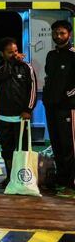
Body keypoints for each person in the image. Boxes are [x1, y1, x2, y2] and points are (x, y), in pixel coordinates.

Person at [0, 37, 37, 190]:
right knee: (7, 149)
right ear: (2, 54)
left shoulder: (26, 67)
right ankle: (9, 177)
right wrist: (11, 62)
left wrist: (28, 109)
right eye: (10, 52)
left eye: (16, 51)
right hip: (3, 115)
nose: (15, 54)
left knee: (22, 149)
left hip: (21, 117)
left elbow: (33, 89)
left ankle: (22, 178)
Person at [42, 20, 75, 196]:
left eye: (61, 33)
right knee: (57, 144)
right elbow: (49, 78)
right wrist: (48, 98)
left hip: (68, 107)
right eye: (55, 33)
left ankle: (72, 183)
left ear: (69, 34)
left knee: (69, 145)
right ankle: (62, 179)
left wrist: (66, 96)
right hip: (51, 106)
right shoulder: (51, 55)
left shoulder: (73, 54)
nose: (58, 36)